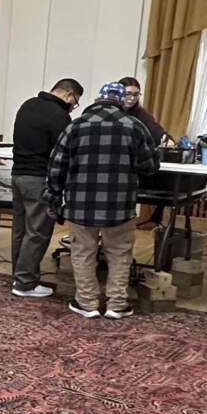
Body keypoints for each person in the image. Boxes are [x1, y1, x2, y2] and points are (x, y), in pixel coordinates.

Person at [47, 81, 159, 319]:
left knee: (83, 252)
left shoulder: (76, 126)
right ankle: (117, 305)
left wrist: (54, 200)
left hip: (80, 205)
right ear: (120, 102)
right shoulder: (135, 126)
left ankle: (86, 303)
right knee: (119, 253)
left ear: (98, 100)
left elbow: (56, 167)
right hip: (120, 206)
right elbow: (150, 166)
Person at [8, 79, 83, 298]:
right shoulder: (59, 116)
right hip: (38, 178)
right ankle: (25, 283)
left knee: (20, 229)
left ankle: (19, 275)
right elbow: (61, 152)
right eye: (75, 102)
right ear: (69, 95)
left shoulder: (27, 105)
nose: (73, 106)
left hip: (17, 175)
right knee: (38, 232)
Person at [118, 76, 168, 144]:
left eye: (136, 94)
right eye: (128, 94)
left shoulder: (141, 114)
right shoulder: (109, 110)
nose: (132, 98)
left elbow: (156, 131)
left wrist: (168, 140)